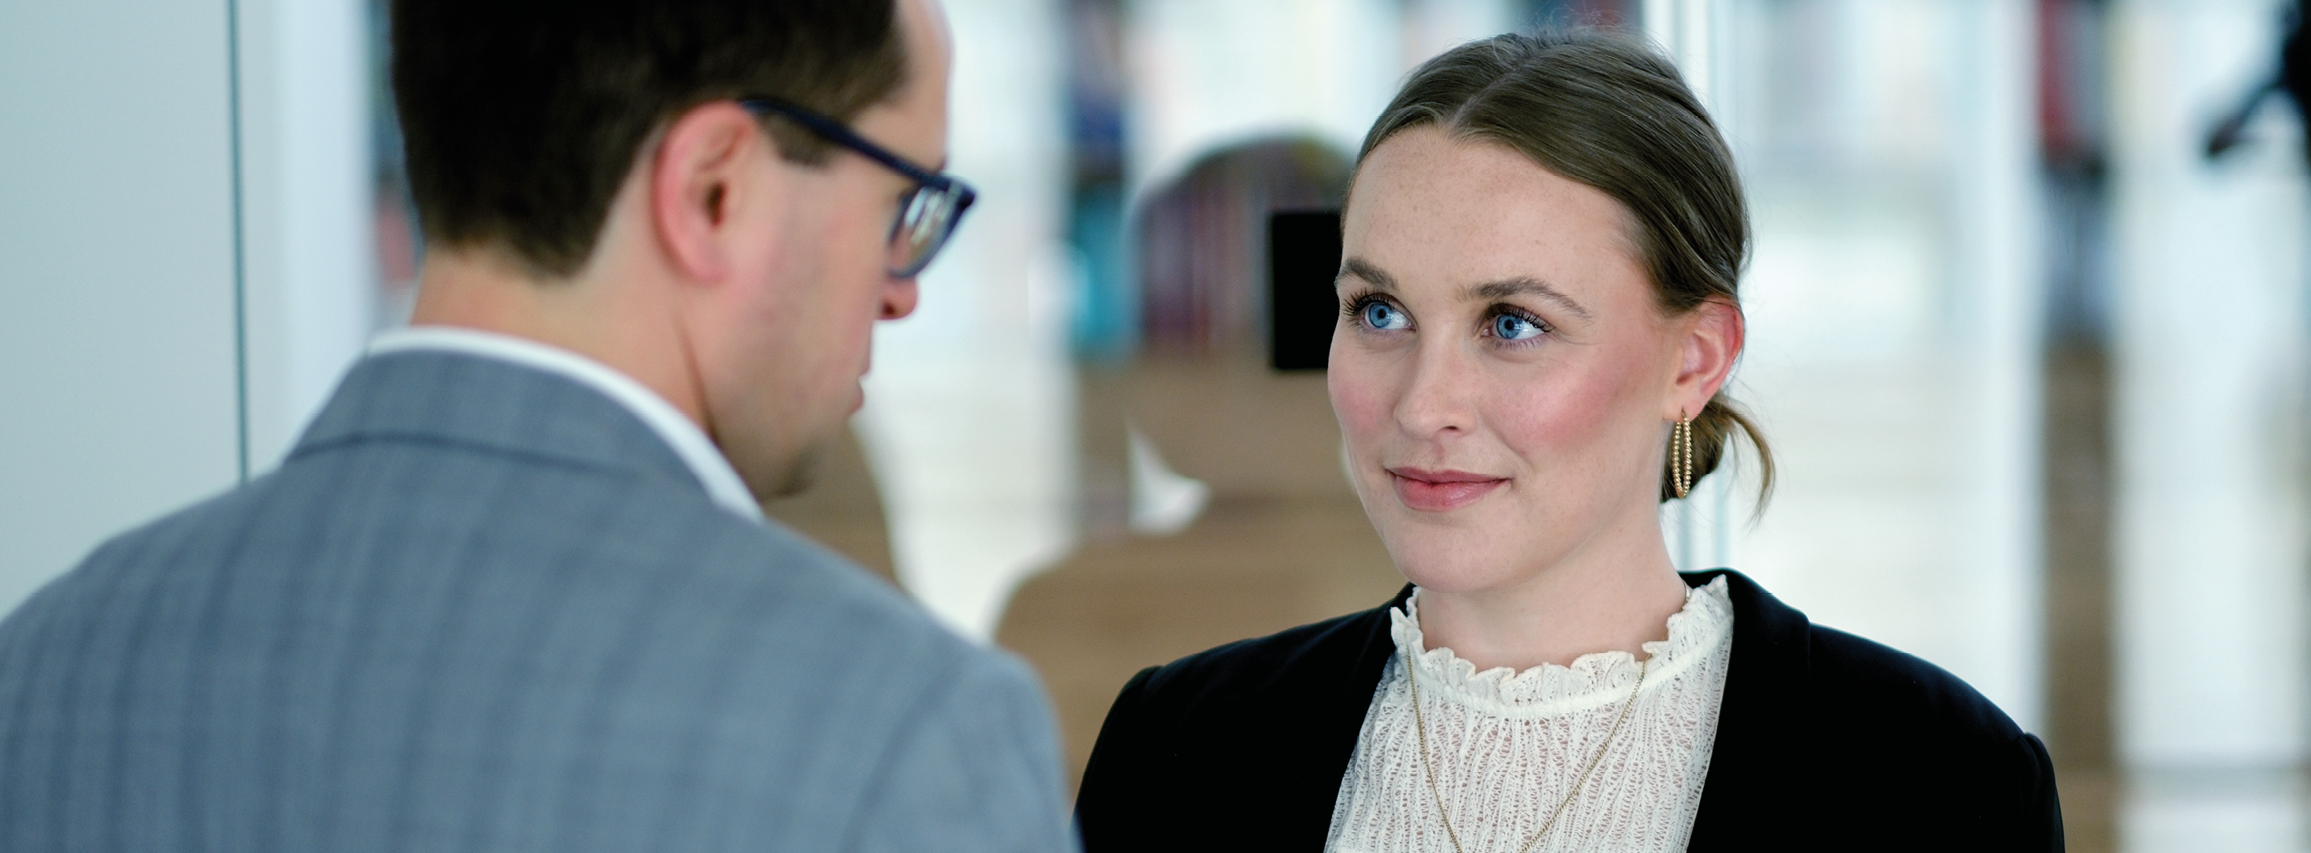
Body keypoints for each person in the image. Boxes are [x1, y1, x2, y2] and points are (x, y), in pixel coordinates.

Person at [0, 1, 1077, 851]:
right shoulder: (902, 730)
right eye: (906, 207)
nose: (904, 292)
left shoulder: (46, 667)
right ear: (713, 190)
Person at [1074, 30, 2063, 853]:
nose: (1424, 404)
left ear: (1694, 360)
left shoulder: (1936, 783)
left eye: (1511, 323)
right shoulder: (1180, 749)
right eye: (1377, 311)